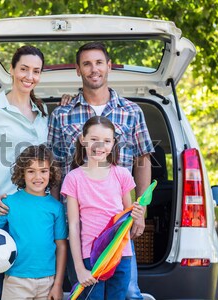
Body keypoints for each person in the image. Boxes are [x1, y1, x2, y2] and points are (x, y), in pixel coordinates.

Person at [48, 42, 153, 299]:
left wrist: (140, 210)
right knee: (87, 287)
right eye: (86, 64)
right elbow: (54, 168)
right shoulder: (61, 114)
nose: (93, 69)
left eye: (98, 63)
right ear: (78, 69)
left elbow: (142, 160)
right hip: (78, 219)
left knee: (127, 291)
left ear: (108, 66)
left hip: (118, 218)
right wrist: (52, 214)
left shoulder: (131, 111)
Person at [0, 45, 49, 300]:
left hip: (32, 213)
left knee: (30, 288)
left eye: (36, 71)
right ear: (12, 70)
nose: (29, 76)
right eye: (24, 68)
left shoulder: (42, 113)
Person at [0, 145, 68, 300]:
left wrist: (58, 284)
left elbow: (61, 245)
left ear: (51, 173)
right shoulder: (9, 203)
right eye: (31, 171)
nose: (37, 177)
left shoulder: (56, 208)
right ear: (22, 173)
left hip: (48, 281)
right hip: (16, 281)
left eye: (43, 171)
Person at [61, 116, 144, 299]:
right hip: (90, 256)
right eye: (93, 140)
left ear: (113, 143)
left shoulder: (122, 175)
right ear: (83, 140)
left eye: (106, 141)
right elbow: (73, 226)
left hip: (121, 254)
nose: (100, 146)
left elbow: (128, 214)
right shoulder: (73, 178)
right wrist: (80, 269)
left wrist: (137, 214)